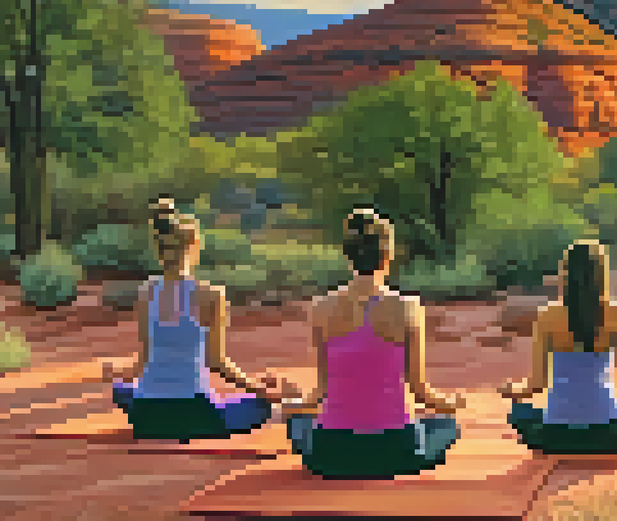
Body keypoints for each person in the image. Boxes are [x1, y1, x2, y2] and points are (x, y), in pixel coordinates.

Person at [283, 207, 465, 478]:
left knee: (298, 424)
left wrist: (293, 404)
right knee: (447, 426)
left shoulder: (320, 308)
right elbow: (419, 391)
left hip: (331, 454)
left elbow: (320, 390)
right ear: (387, 255)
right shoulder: (408, 307)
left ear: (348, 256)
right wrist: (451, 403)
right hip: (395, 450)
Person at [105, 197, 288, 441]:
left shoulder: (146, 292)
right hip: (195, 414)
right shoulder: (211, 295)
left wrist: (118, 374)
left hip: (147, 416)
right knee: (262, 406)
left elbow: (144, 363)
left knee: (122, 391)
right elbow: (216, 363)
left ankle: (150, 410)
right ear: (194, 245)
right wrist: (260, 389)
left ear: (158, 250)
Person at [501, 240, 617, 453]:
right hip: (608, 433)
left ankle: (546, 437)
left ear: (566, 274)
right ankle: (601, 436)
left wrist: (514, 392)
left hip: (555, 434)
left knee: (519, 413)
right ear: (601, 273)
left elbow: (537, 385)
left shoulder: (547, 316)